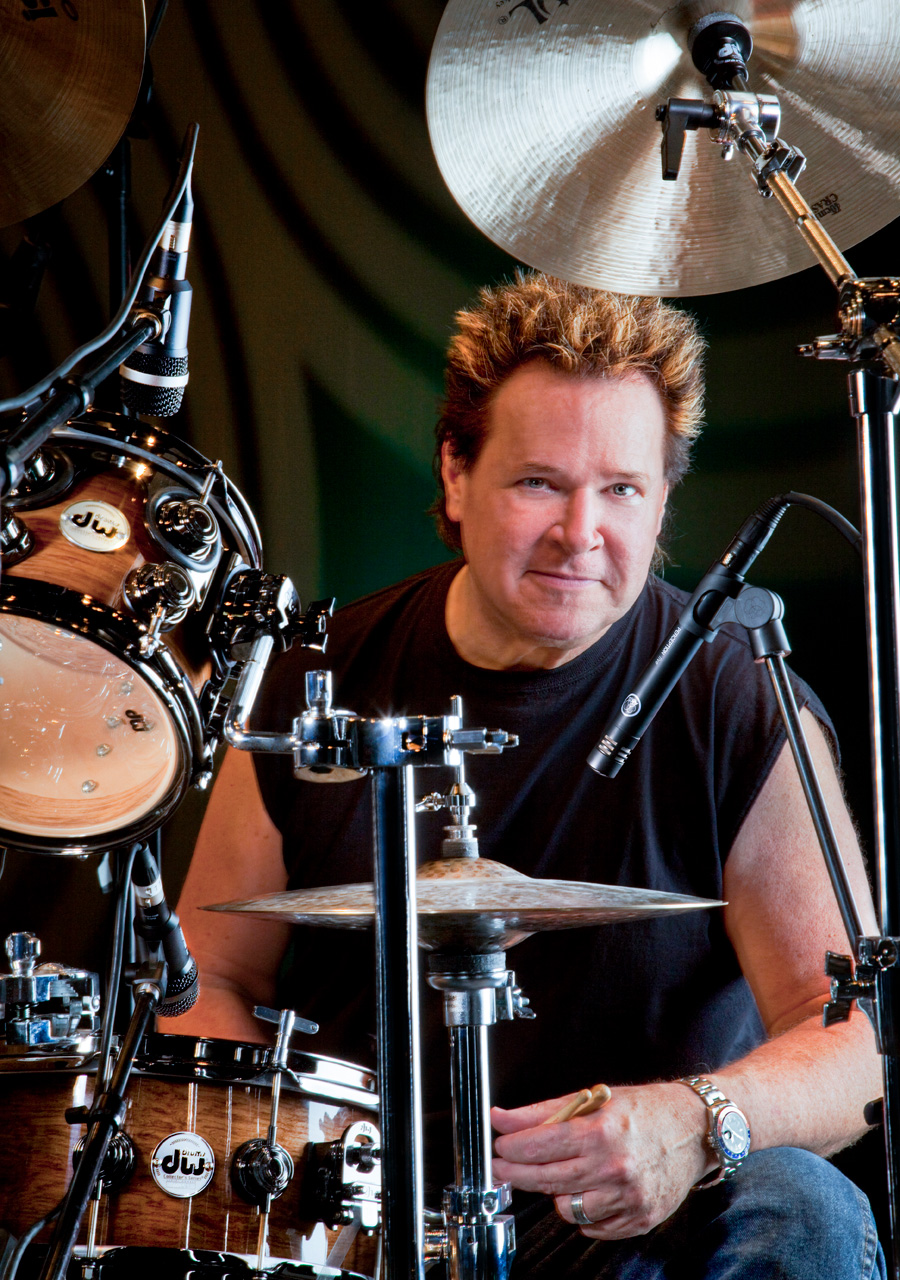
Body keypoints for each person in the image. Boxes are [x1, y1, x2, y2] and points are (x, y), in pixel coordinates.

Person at [173, 273, 885, 1277]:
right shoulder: (316, 676)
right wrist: (305, 1166)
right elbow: (206, 976)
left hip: (623, 1232)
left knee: (798, 1201)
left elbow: (853, 1044)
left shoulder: (737, 692)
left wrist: (694, 1119)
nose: (580, 532)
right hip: (360, 1232)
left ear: (664, 499)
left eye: (622, 489)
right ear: (457, 475)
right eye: (541, 482)